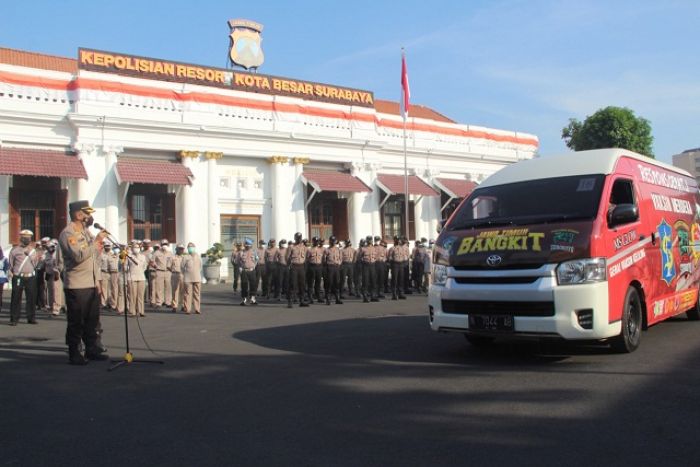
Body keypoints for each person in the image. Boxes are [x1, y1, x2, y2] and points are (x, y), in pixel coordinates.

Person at [58, 201, 109, 365]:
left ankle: (91, 349)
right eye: (86, 213)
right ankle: (74, 352)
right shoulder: (68, 234)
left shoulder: (87, 232)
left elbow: (94, 258)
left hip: (92, 282)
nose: (89, 216)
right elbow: (78, 256)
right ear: (78, 215)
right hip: (77, 284)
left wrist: (98, 281)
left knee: (92, 320)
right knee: (76, 321)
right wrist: (96, 243)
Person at [8, 229, 40, 326]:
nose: (27, 240)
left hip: (30, 277)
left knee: (31, 297)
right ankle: (14, 319)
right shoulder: (14, 250)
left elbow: (36, 264)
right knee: (16, 297)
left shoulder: (33, 250)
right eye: (24, 238)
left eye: (28, 238)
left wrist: (31, 255)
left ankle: (31, 318)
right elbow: (11, 264)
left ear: (31, 239)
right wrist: (10, 273)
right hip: (18, 277)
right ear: (21, 238)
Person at [286, 232, 308, 308]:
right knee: (292, 284)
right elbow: (287, 258)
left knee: (302, 284)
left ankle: (301, 301)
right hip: (294, 267)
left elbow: (306, 257)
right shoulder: (291, 247)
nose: (299, 239)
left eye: (300, 238)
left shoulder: (304, 247)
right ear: (295, 238)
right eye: (297, 238)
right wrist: (289, 266)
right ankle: (290, 301)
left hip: (301, 267)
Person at [126, 240, 148, 317]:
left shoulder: (143, 256)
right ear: (132, 248)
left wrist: (140, 271)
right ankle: (132, 312)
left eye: (138, 247)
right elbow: (125, 266)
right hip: (131, 277)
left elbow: (145, 267)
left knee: (140, 296)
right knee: (132, 296)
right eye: (135, 247)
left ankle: (141, 311)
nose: (136, 248)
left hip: (141, 277)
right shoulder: (129, 256)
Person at [44, 239, 64, 316]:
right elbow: (45, 263)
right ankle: (51, 307)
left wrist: (58, 271)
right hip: (49, 274)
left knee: (57, 291)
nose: (49, 249)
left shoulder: (57, 254)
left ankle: (56, 309)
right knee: (50, 292)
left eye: (51, 247)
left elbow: (61, 264)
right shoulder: (47, 254)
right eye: (48, 247)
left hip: (56, 274)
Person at [182, 242, 202, 314]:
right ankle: (188, 309)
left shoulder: (198, 256)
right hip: (188, 278)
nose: (190, 248)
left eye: (192, 247)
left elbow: (200, 267)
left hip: (197, 277)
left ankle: (197, 309)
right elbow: (182, 267)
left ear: (194, 247)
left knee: (197, 294)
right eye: (189, 247)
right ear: (187, 249)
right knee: (187, 294)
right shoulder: (185, 257)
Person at [238, 238, 259, 306]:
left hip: (251, 271)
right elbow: (238, 261)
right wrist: (240, 267)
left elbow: (256, 259)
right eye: (246, 244)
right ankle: (244, 299)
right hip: (244, 271)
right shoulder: (241, 252)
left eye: (249, 245)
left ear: (251, 245)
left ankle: (252, 299)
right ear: (245, 245)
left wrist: (253, 267)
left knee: (253, 285)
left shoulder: (254, 252)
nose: (247, 246)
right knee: (244, 285)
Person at [153, 239, 173, 308]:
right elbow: (152, 261)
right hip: (159, 271)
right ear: (161, 245)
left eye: (166, 244)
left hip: (168, 272)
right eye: (163, 244)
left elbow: (173, 262)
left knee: (168, 287)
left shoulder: (170, 253)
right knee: (159, 288)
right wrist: (155, 265)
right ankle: (159, 302)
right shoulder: (156, 252)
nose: (164, 246)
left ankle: (168, 302)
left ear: (168, 245)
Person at [358, 235, 378, 302]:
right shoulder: (363, 249)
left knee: (373, 281)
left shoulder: (374, 248)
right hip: (365, 266)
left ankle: (373, 296)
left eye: (370, 240)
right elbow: (359, 258)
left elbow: (376, 257)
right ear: (366, 241)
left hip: (373, 265)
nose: (370, 241)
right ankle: (365, 296)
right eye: (368, 240)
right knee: (365, 281)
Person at [323, 236, 343, 305]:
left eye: (334, 240)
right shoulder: (327, 250)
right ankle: (328, 299)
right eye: (331, 240)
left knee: (337, 283)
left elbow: (340, 258)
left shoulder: (338, 250)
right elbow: (324, 259)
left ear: (335, 241)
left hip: (336, 267)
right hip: (330, 267)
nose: (333, 242)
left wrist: (339, 263)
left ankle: (337, 299)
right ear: (330, 241)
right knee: (329, 283)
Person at [388, 236, 408, 300]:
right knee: (394, 279)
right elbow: (390, 257)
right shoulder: (392, 248)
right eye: (398, 240)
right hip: (395, 264)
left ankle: (401, 293)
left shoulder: (403, 248)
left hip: (401, 264)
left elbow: (406, 256)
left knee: (401, 279)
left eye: (400, 240)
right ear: (396, 241)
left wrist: (404, 260)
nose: (399, 241)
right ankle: (394, 294)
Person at [170, 244, 185, 312]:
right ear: (176, 249)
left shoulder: (184, 257)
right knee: (175, 291)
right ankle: (174, 306)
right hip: (175, 274)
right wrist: (174, 271)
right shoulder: (172, 257)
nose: (181, 250)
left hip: (183, 275)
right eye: (180, 249)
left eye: (182, 249)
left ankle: (183, 305)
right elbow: (168, 266)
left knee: (183, 291)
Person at [99, 241, 113, 308]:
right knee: (103, 289)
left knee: (110, 289)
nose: (107, 247)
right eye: (106, 246)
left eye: (108, 246)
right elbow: (99, 264)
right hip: (103, 272)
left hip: (111, 273)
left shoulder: (113, 254)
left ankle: (110, 302)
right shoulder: (101, 254)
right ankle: (104, 303)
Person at [0, 245, 9, 314]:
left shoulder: (4, 259)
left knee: (0, 293)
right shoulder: (4, 259)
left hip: (1, 277)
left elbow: (6, 268)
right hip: (2, 276)